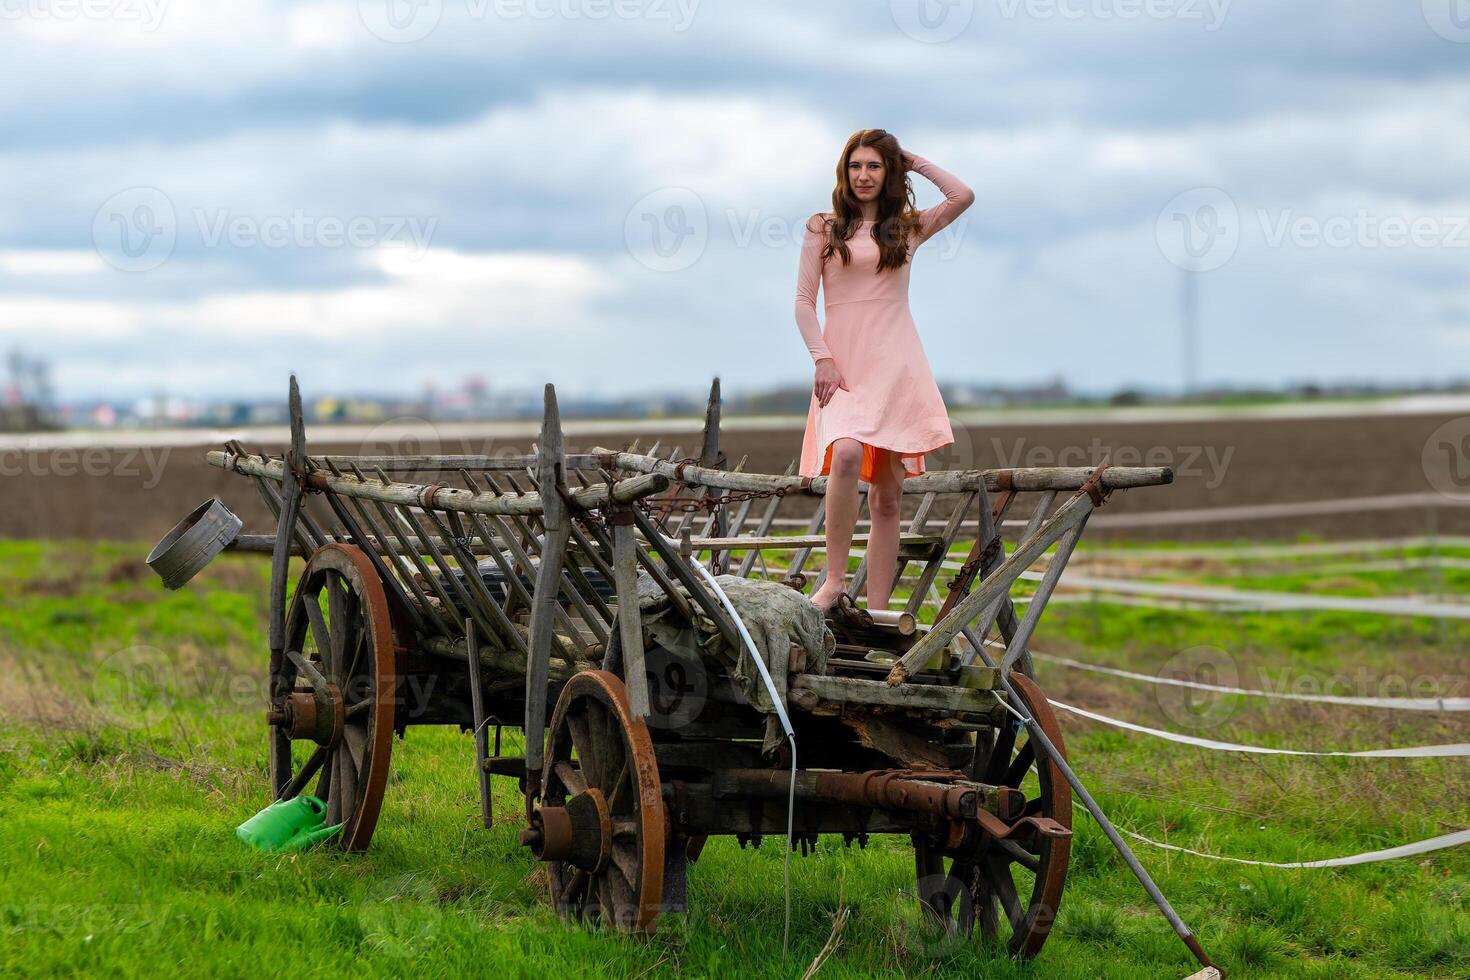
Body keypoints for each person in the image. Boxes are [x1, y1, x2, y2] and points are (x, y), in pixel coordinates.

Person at [793, 128, 975, 612]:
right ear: (843, 173)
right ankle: (834, 580)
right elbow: (804, 302)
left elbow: (963, 195)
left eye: (874, 166)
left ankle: (874, 608)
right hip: (844, 369)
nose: (864, 175)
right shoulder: (823, 228)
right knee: (848, 454)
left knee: (888, 498)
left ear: (888, 172)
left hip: (898, 369)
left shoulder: (907, 230)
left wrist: (911, 160)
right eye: (855, 166)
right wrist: (822, 358)